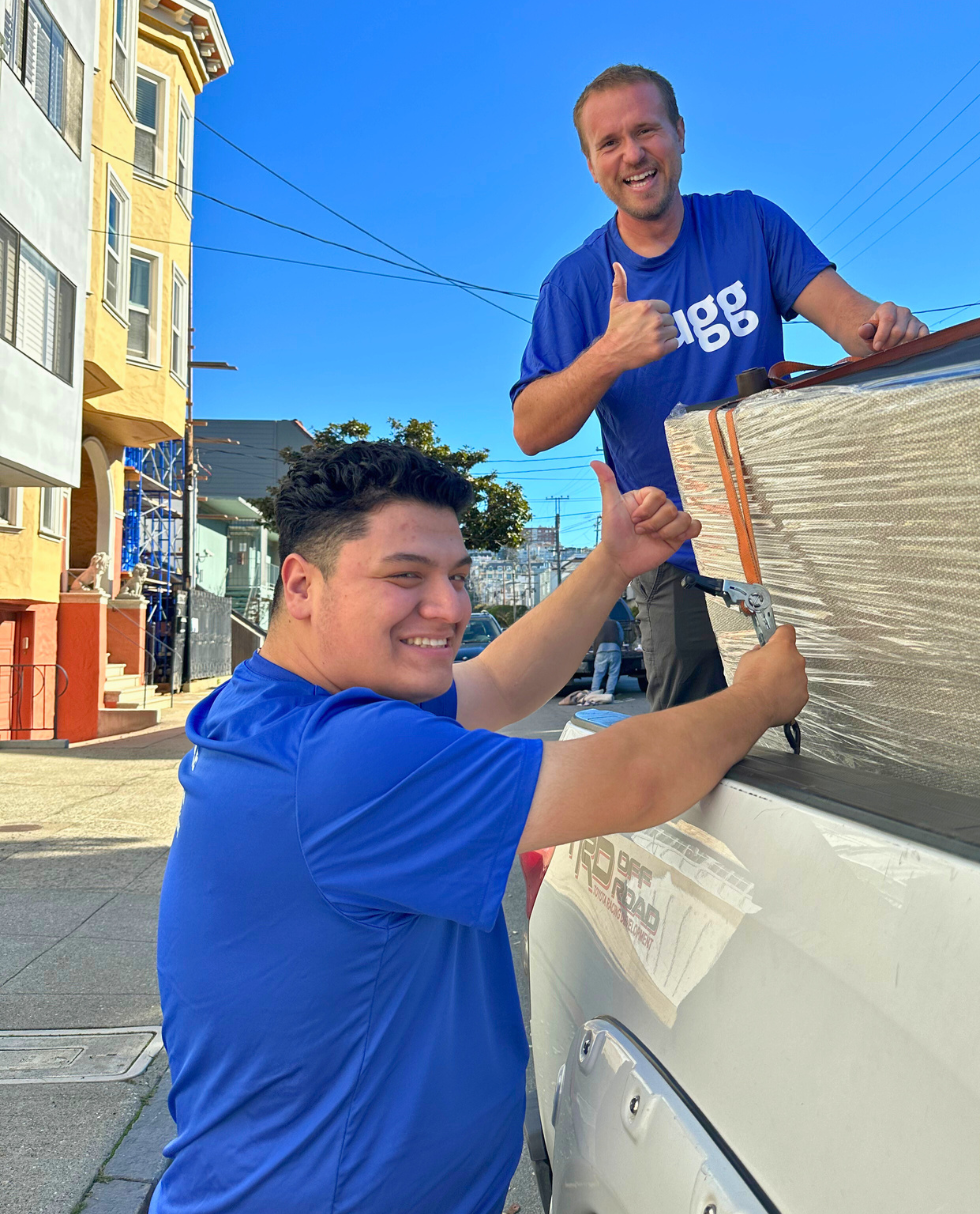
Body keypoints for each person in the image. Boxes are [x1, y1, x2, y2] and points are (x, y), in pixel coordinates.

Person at [153, 440, 807, 1214]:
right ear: (300, 584)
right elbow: (636, 778)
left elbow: (498, 680)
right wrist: (757, 698)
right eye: (406, 577)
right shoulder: (343, 757)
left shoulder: (282, 706)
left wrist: (611, 565)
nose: (450, 607)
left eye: (458, 577)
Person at [511, 63, 929, 711]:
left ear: (679, 134)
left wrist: (889, 333)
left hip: (789, 536)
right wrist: (608, 355)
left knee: (832, 725)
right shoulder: (575, 284)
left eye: (647, 130)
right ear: (592, 166)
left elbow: (853, 322)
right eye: (609, 143)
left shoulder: (748, 222)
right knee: (694, 748)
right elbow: (531, 429)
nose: (633, 154)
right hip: (672, 555)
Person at [590, 613, 623, 699]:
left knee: (598, 672)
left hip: (601, 650)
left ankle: (594, 691)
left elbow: (592, 638)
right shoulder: (616, 623)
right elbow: (621, 636)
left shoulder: (597, 625)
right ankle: (609, 692)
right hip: (615, 649)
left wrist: (594, 650)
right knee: (613, 673)